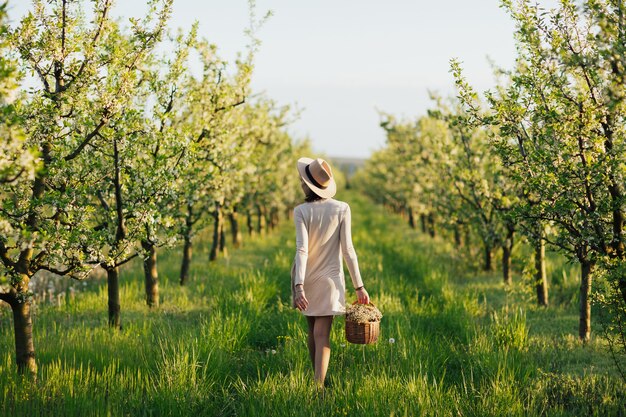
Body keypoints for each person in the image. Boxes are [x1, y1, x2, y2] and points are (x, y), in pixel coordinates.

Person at [291, 157, 370, 388]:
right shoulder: (342, 208)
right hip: (330, 281)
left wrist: (298, 286)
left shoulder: (301, 211)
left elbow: (301, 249)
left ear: (307, 184)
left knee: (313, 331)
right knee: (321, 334)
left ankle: (317, 382)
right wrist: (359, 285)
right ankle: (319, 385)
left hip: (306, 278)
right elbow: (348, 250)